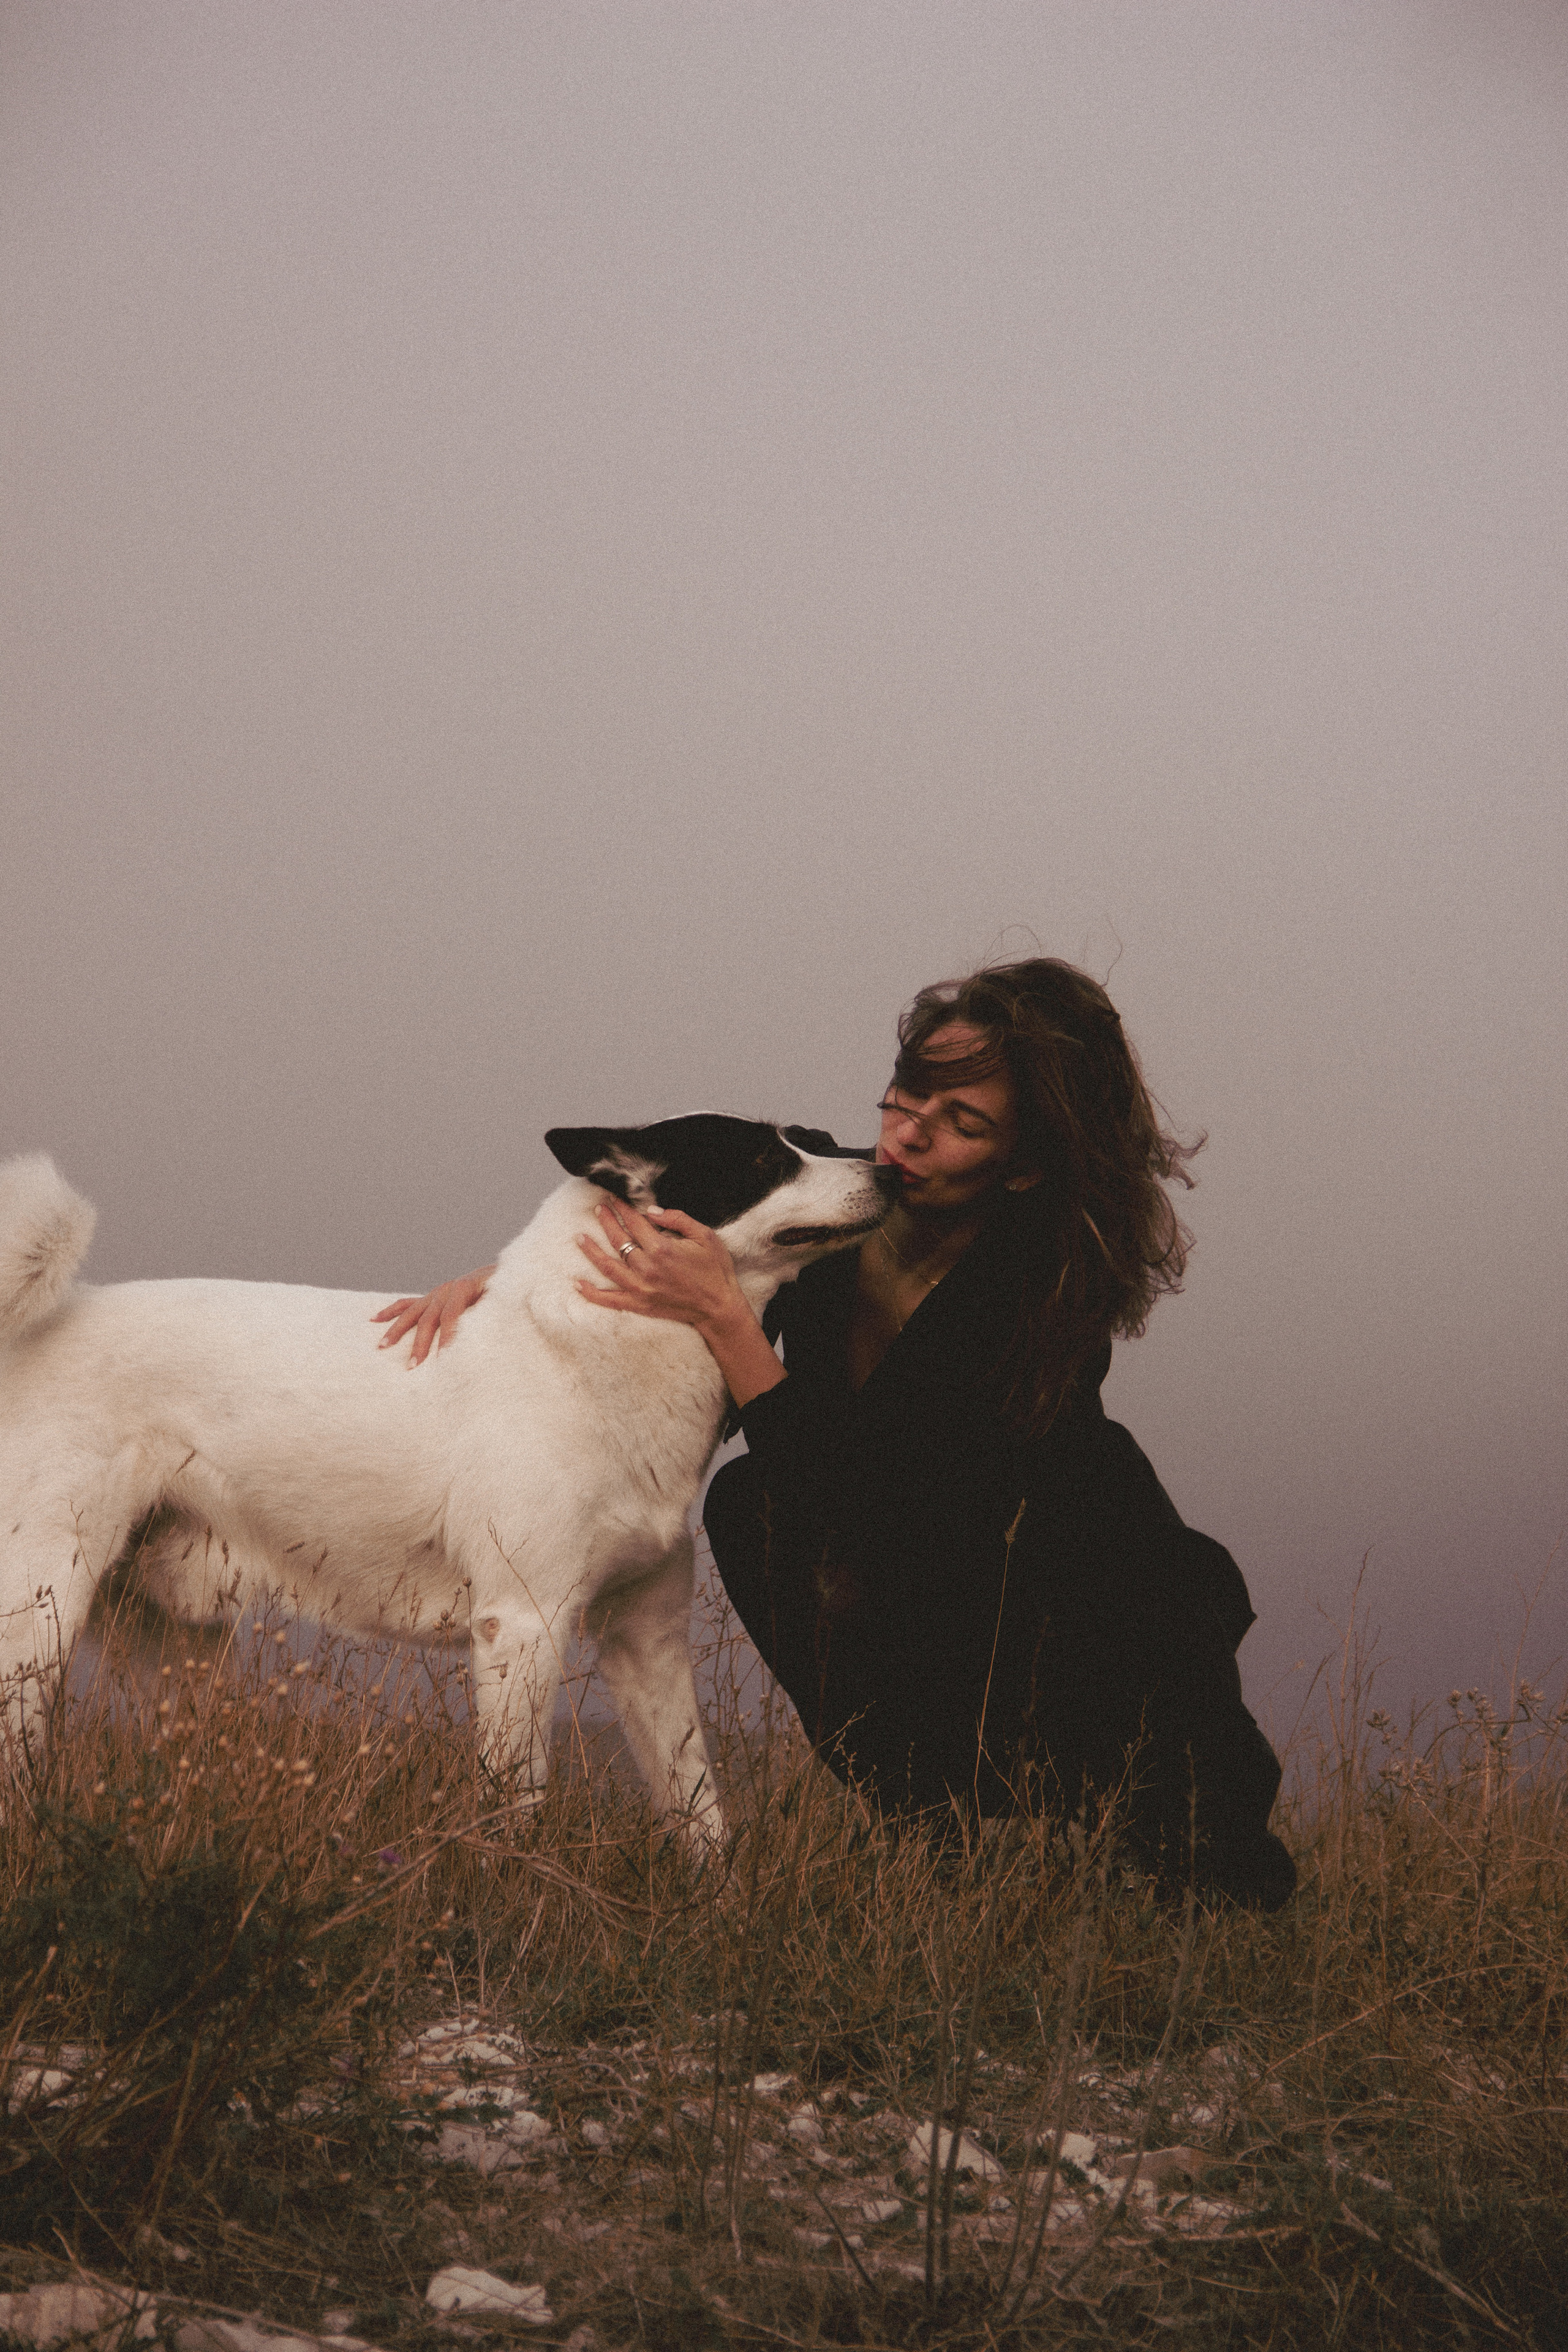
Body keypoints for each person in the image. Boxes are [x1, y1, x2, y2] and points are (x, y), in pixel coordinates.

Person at [376, 959, 1295, 1909]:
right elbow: (680, 1192)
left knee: (1205, 1879)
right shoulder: (839, 1187)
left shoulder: (1040, 1296)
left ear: (1024, 1164)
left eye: (962, 1125)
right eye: (905, 1098)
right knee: (750, 1509)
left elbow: (878, 1499)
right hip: (918, 1574)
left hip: (1076, 1604)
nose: (905, 1139)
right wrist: (506, 1281)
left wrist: (730, 1322)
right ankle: (928, 1834)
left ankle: (1182, 1863)